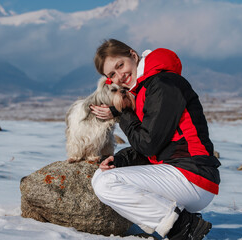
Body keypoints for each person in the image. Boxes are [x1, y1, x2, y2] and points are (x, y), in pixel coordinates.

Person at [90, 39, 221, 240]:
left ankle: (184, 227)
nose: (120, 76)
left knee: (107, 183)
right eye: (112, 76)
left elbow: (149, 144)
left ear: (133, 56)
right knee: (100, 177)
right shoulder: (144, 90)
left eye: (120, 65)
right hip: (177, 173)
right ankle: (176, 224)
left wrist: (123, 113)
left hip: (194, 175)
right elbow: (154, 144)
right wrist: (120, 160)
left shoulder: (163, 84)